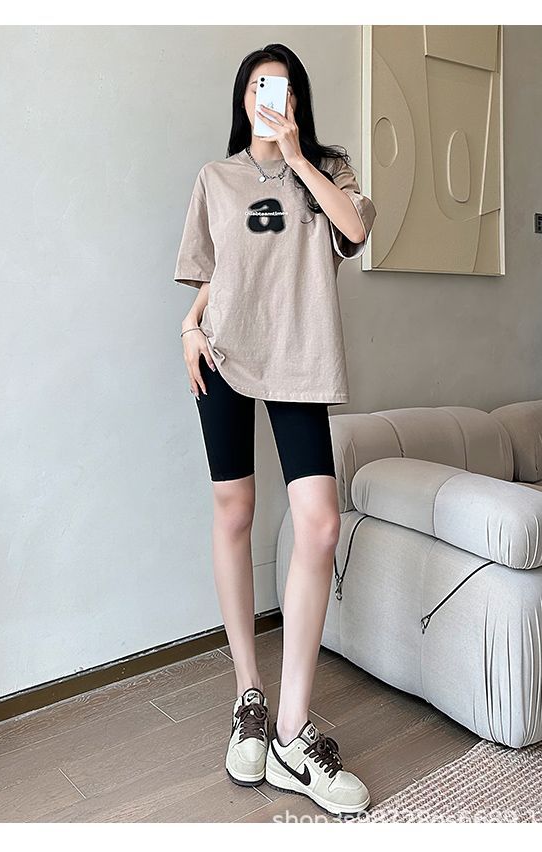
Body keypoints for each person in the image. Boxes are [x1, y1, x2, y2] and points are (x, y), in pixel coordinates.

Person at [172, 43, 377, 819]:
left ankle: (292, 732)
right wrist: (187, 327)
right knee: (235, 512)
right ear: (243, 96)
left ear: (297, 99)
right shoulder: (215, 178)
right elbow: (217, 275)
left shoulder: (329, 168)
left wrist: (295, 155)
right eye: (260, 85)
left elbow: (353, 232)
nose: (270, 96)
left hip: (300, 358)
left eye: (283, 87)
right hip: (222, 354)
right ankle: (250, 699)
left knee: (319, 524)